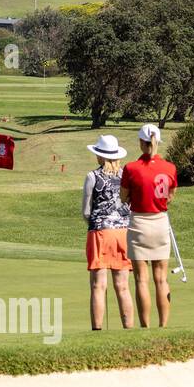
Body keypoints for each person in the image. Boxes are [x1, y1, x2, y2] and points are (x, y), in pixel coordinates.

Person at [120, 124, 178, 328]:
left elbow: (123, 197)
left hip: (139, 224)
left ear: (141, 143)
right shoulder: (170, 167)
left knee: (141, 280)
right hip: (160, 223)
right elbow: (170, 196)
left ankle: (145, 327)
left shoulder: (130, 168)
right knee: (161, 280)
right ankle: (163, 326)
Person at [82, 134, 135, 330]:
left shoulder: (92, 177)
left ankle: (97, 330)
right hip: (123, 233)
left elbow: (87, 211)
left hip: (100, 233)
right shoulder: (125, 177)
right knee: (122, 286)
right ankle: (128, 329)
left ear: (100, 156)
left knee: (98, 286)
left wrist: (98, 222)